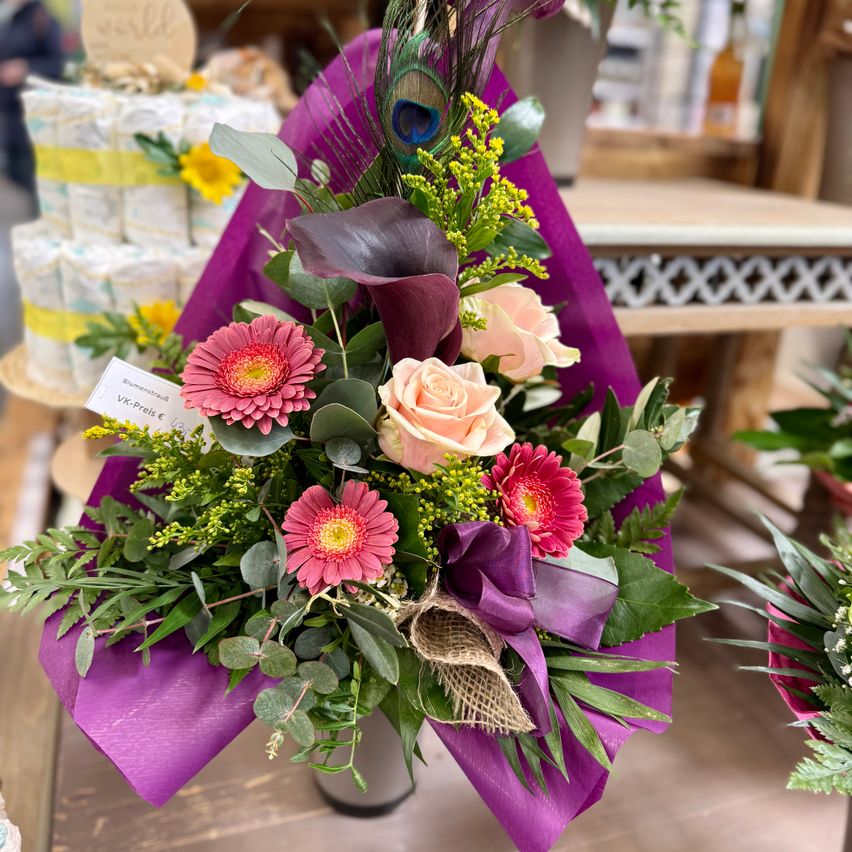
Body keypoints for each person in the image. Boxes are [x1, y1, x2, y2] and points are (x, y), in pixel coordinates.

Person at [0, 0, 63, 193]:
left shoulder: (43, 19)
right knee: (14, 169)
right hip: (9, 112)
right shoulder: (9, 19)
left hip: (35, 112)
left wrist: (26, 69)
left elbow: (58, 65)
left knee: (33, 174)